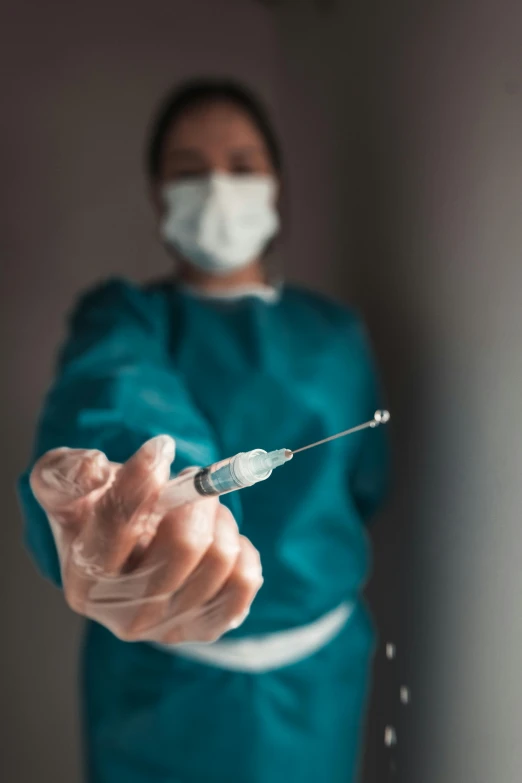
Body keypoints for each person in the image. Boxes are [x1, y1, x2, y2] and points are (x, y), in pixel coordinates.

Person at [18, 80, 389, 783]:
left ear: (277, 183)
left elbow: (366, 480)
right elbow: (123, 398)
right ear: (159, 195)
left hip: (318, 683)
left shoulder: (334, 333)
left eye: (243, 165)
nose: (218, 188)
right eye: (190, 171)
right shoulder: (125, 318)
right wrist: (144, 510)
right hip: (160, 694)